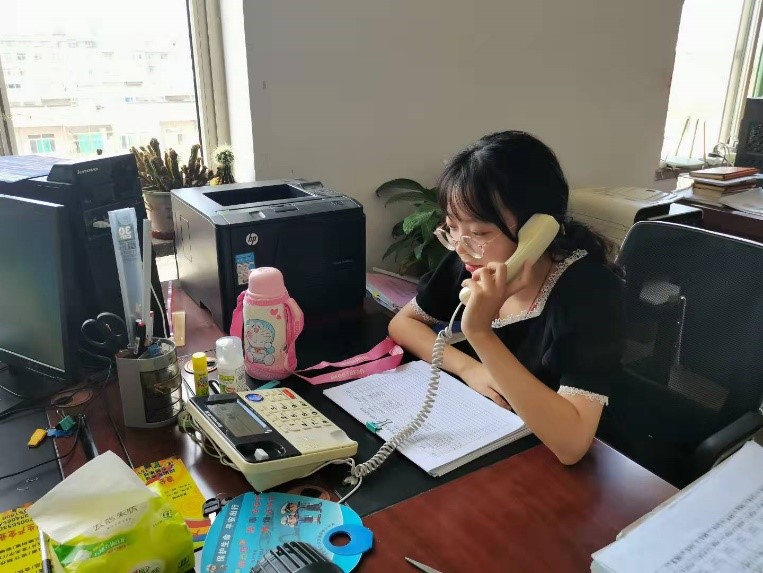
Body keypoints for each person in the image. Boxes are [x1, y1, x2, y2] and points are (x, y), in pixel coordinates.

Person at [388, 130, 623, 465]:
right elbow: (403, 323)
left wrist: (479, 332)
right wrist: (470, 369)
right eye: (452, 227)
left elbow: (572, 446)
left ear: (538, 228)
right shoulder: (472, 259)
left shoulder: (589, 290)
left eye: (480, 232)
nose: (461, 246)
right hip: (496, 440)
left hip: (579, 457)